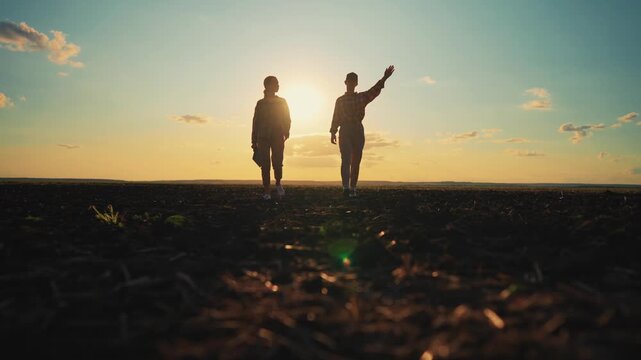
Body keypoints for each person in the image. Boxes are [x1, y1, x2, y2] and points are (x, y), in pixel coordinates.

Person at [330, 65, 395, 197]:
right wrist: (333, 131)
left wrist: (385, 78)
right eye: (349, 81)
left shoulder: (361, 97)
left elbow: (375, 90)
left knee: (356, 160)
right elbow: (335, 116)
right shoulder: (340, 100)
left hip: (357, 128)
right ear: (345, 82)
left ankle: (353, 188)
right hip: (345, 129)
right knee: (346, 158)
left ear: (356, 83)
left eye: (353, 82)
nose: (351, 84)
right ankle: (346, 187)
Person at [251, 76, 291, 200]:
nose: (278, 86)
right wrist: (254, 140)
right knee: (265, 164)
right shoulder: (260, 103)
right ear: (268, 86)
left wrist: (286, 130)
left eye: (278, 84)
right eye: (276, 84)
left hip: (278, 135)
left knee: (278, 162)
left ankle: (278, 183)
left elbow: (287, 117)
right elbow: (255, 122)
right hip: (262, 136)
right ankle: (267, 190)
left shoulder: (282, 101)